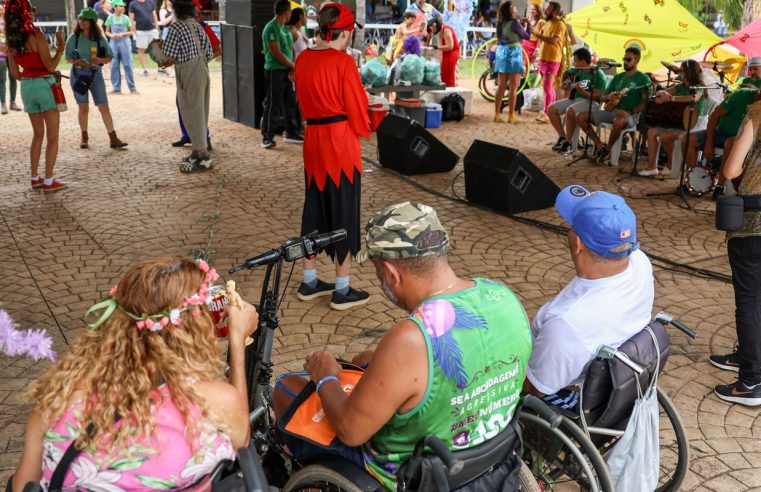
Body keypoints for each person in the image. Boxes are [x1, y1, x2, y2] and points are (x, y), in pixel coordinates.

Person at [276, 201, 532, 490]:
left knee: (287, 390)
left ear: (391, 273)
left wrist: (325, 377)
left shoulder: (410, 339)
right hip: (488, 456)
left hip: (413, 473)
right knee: (363, 359)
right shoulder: (505, 298)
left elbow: (350, 431)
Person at [9, 257, 257, 490]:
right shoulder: (215, 403)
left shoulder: (57, 402)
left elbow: (22, 487)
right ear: (195, 331)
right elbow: (241, 441)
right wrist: (237, 341)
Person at [524, 185, 654, 410]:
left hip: (572, 396)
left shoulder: (567, 323)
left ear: (578, 244)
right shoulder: (640, 262)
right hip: (617, 384)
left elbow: (535, 389)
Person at [294, 3, 370, 310]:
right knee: (344, 210)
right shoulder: (343, 62)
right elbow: (358, 110)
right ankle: (342, 288)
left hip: (313, 140)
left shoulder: (302, 59)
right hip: (340, 144)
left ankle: (310, 280)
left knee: (313, 209)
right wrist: (367, 121)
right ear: (347, 32)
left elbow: (302, 101)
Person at [711, 100, 761, 406]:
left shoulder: (756, 112)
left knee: (749, 299)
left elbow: (731, 170)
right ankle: (747, 354)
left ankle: (751, 381)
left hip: (754, 223)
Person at [5, 0, 66, 192]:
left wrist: (30, 70)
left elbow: (16, 75)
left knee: (37, 135)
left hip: (27, 88)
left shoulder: (11, 41)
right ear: (27, 13)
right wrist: (61, 47)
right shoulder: (36, 35)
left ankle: (35, 177)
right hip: (44, 85)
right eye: (32, 10)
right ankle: (49, 180)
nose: (34, 12)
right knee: (53, 137)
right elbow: (50, 66)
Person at [160, 0, 213, 172]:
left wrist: (156, 50)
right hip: (203, 70)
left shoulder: (176, 26)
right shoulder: (196, 25)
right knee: (201, 111)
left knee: (192, 112)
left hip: (189, 73)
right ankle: (198, 151)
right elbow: (210, 52)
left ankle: (204, 156)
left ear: (175, 9)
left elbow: (168, 56)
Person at [576, 46, 651, 165]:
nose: (625, 62)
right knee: (581, 117)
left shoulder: (643, 79)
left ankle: (608, 149)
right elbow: (603, 96)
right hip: (612, 111)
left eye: (628, 59)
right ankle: (600, 146)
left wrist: (631, 111)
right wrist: (608, 97)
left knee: (620, 119)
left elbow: (645, 102)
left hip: (630, 115)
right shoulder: (618, 78)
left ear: (636, 60)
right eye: (624, 59)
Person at [66, 8, 127, 150]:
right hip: (78, 75)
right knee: (83, 107)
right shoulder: (73, 38)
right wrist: (76, 62)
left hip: (96, 75)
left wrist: (99, 59)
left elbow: (109, 57)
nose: (81, 22)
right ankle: (84, 137)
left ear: (92, 22)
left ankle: (113, 138)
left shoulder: (100, 39)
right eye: (80, 19)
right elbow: (67, 57)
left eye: (85, 19)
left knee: (103, 106)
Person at [637, 60, 705, 176]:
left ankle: (672, 162)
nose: (679, 73)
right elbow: (661, 92)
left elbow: (693, 98)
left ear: (689, 72)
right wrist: (662, 93)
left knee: (665, 137)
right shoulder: (680, 86)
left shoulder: (699, 86)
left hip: (693, 124)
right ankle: (652, 167)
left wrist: (671, 98)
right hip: (678, 121)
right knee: (651, 131)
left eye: (681, 71)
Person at [170, 0, 219, 150]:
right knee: (183, 103)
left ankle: (204, 139)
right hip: (190, 71)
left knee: (197, 107)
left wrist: (200, 62)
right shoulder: (190, 25)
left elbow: (217, 49)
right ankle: (187, 134)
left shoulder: (201, 26)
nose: (198, 10)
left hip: (194, 71)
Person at [696, 89, 761, 197]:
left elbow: (731, 171)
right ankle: (693, 182)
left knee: (730, 143)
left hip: (735, 140)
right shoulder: (741, 95)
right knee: (688, 139)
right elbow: (714, 116)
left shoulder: (756, 112)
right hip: (720, 132)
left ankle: (720, 186)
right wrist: (708, 143)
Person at [547, 47, 606, 154]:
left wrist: (581, 91)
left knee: (570, 110)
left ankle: (569, 143)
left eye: (575, 61)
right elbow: (566, 73)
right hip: (575, 99)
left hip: (591, 102)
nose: (573, 63)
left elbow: (597, 96)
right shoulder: (577, 70)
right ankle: (563, 137)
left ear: (583, 62)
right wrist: (564, 83)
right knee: (551, 109)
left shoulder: (598, 74)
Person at [261, 0, 302, 149]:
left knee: (290, 102)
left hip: (287, 70)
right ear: (286, 12)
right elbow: (277, 53)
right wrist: (293, 66)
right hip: (275, 71)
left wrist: (292, 67)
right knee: (273, 104)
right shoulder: (271, 28)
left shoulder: (284, 28)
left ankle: (291, 132)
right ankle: (267, 137)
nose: (291, 13)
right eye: (290, 11)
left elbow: (292, 50)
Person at [530, 1, 569, 123]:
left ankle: (547, 113)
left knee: (547, 86)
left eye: (549, 9)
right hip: (544, 58)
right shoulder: (547, 23)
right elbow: (542, 40)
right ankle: (547, 111)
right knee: (547, 87)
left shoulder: (560, 25)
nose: (546, 10)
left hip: (552, 59)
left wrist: (537, 34)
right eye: (547, 8)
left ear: (555, 12)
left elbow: (553, 41)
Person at [492, 1, 528, 123]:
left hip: (502, 52)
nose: (516, 8)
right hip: (514, 53)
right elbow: (526, 36)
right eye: (513, 7)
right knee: (514, 86)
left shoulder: (501, 23)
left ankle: (497, 114)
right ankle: (511, 115)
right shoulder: (515, 23)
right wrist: (527, 26)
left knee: (501, 85)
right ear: (510, 11)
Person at [105, 0, 137, 94]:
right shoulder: (110, 18)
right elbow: (107, 31)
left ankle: (132, 88)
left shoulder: (126, 18)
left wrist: (122, 34)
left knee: (127, 65)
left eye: (123, 6)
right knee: (114, 65)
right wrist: (111, 36)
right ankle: (116, 88)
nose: (122, 8)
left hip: (125, 43)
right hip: (113, 44)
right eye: (120, 6)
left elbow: (131, 32)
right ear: (114, 7)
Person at [424, 18, 459, 88]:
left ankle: (451, 87)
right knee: (442, 71)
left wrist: (436, 47)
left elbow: (450, 46)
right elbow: (439, 44)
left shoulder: (446, 31)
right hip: (445, 51)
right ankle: (445, 87)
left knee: (449, 72)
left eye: (433, 29)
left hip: (452, 52)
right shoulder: (439, 30)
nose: (432, 31)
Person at [0, 1, 21, 114]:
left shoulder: (10, 20)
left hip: (11, 52)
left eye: (3, 6)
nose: (2, 8)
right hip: (1, 55)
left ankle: (12, 102)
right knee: (2, 79)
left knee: (13, 76)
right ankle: (3, 104)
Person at [128, 0, 159, 76]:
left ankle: (161, 68)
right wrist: (133, 28)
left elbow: (154, 15)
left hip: (152, 29)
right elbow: (131, 17)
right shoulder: (133, 4)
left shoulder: (150, 2)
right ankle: (145, 69)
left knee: (158, 48)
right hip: (140, 30)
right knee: (141, 50)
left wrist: (156, 27)